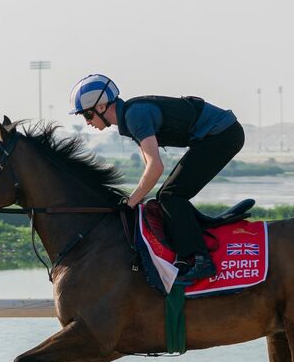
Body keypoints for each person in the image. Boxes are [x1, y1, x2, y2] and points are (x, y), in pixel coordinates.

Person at [69, 74, 245, 281]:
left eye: (86, 115)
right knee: (166, 196)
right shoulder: (130, 117)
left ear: (100, 107)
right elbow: (148, 169)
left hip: (222, 135)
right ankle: (190, 243)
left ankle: (201, 260)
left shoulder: (135, 117)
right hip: (213, 136)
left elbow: (155, 167)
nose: (88, 122)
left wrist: (130, 202)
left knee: (171, 196)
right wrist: (135, 198)